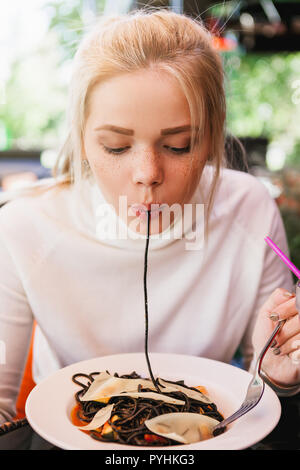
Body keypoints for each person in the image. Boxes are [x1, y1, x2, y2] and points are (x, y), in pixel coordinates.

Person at [0, 8, 299, 427]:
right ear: (82, 138)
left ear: (213, 136)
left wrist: (278, 374)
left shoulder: (249, 209)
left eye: (179, 146)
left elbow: (260, 395)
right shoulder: (24, 227)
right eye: (115, 147)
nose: (147, 175)